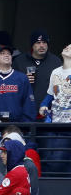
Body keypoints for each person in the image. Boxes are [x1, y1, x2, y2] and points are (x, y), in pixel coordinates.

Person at [38, 42, 71, 174]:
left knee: (60, 161)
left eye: (70, 48)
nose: (67, 47)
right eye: (66, 46)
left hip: (69, 125)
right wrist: (43, 105)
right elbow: (50, 94)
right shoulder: (55, 72)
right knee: (50, 159)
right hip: (55, 122)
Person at [0, 44, 36, 122]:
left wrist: (25, 126)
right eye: (3, 53)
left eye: (9, 54)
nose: (7, 55)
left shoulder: (22, 78)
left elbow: (29, 105)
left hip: (16, 126)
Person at [14, 30, 61, 108]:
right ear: (32, 45)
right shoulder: (19, 61)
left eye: (44, 42)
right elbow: (10, 84)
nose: (42, 45)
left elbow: (61, 87)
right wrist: (23, 80)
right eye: (38, 43)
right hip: (24, 109)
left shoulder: (55, 61)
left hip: (47, 109)